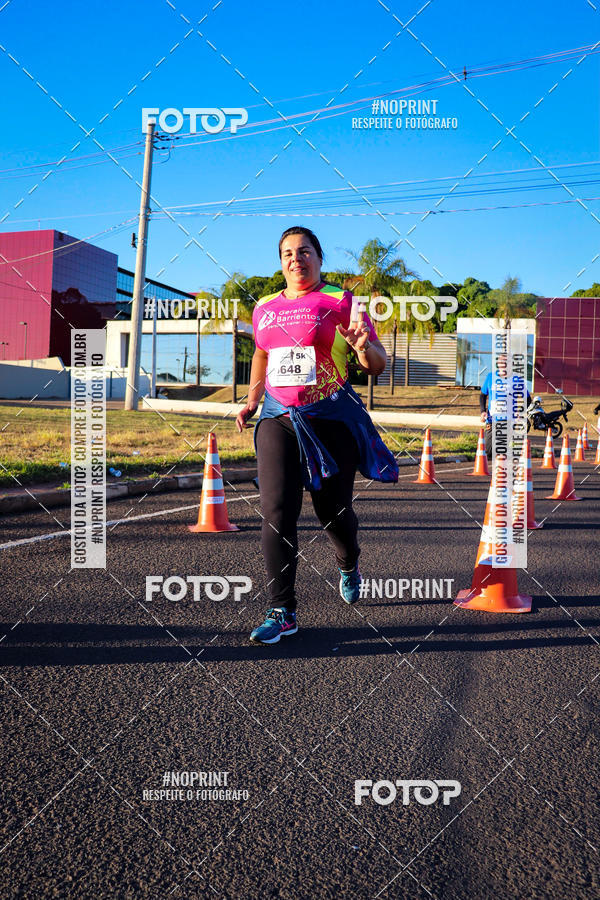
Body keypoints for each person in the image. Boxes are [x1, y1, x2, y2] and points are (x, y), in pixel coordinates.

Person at [235, 226, 399, 645]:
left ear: (319, 258)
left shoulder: (342, 301)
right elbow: (262, 352)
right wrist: (252, 400)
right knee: (276, 511)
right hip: (277, 417)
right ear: (280, 262)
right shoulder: (265, 307)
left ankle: (348, 561)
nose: (296, 259)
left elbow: (376, 364)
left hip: (329, 418)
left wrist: (363, 348)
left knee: (333, 513)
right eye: (287, 253)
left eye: (304, 251)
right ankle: (282, 610)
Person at [479, 353, 530, 457]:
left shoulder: (517, 379)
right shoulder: (490, 377)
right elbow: (482, 395)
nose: (503, 365)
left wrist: (520, 412)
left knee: (502, 449)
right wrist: (482, 411)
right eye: (501, 362)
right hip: (492, 419)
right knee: (489, 450)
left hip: (509, 420)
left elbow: (528, 399)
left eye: (506, 362)